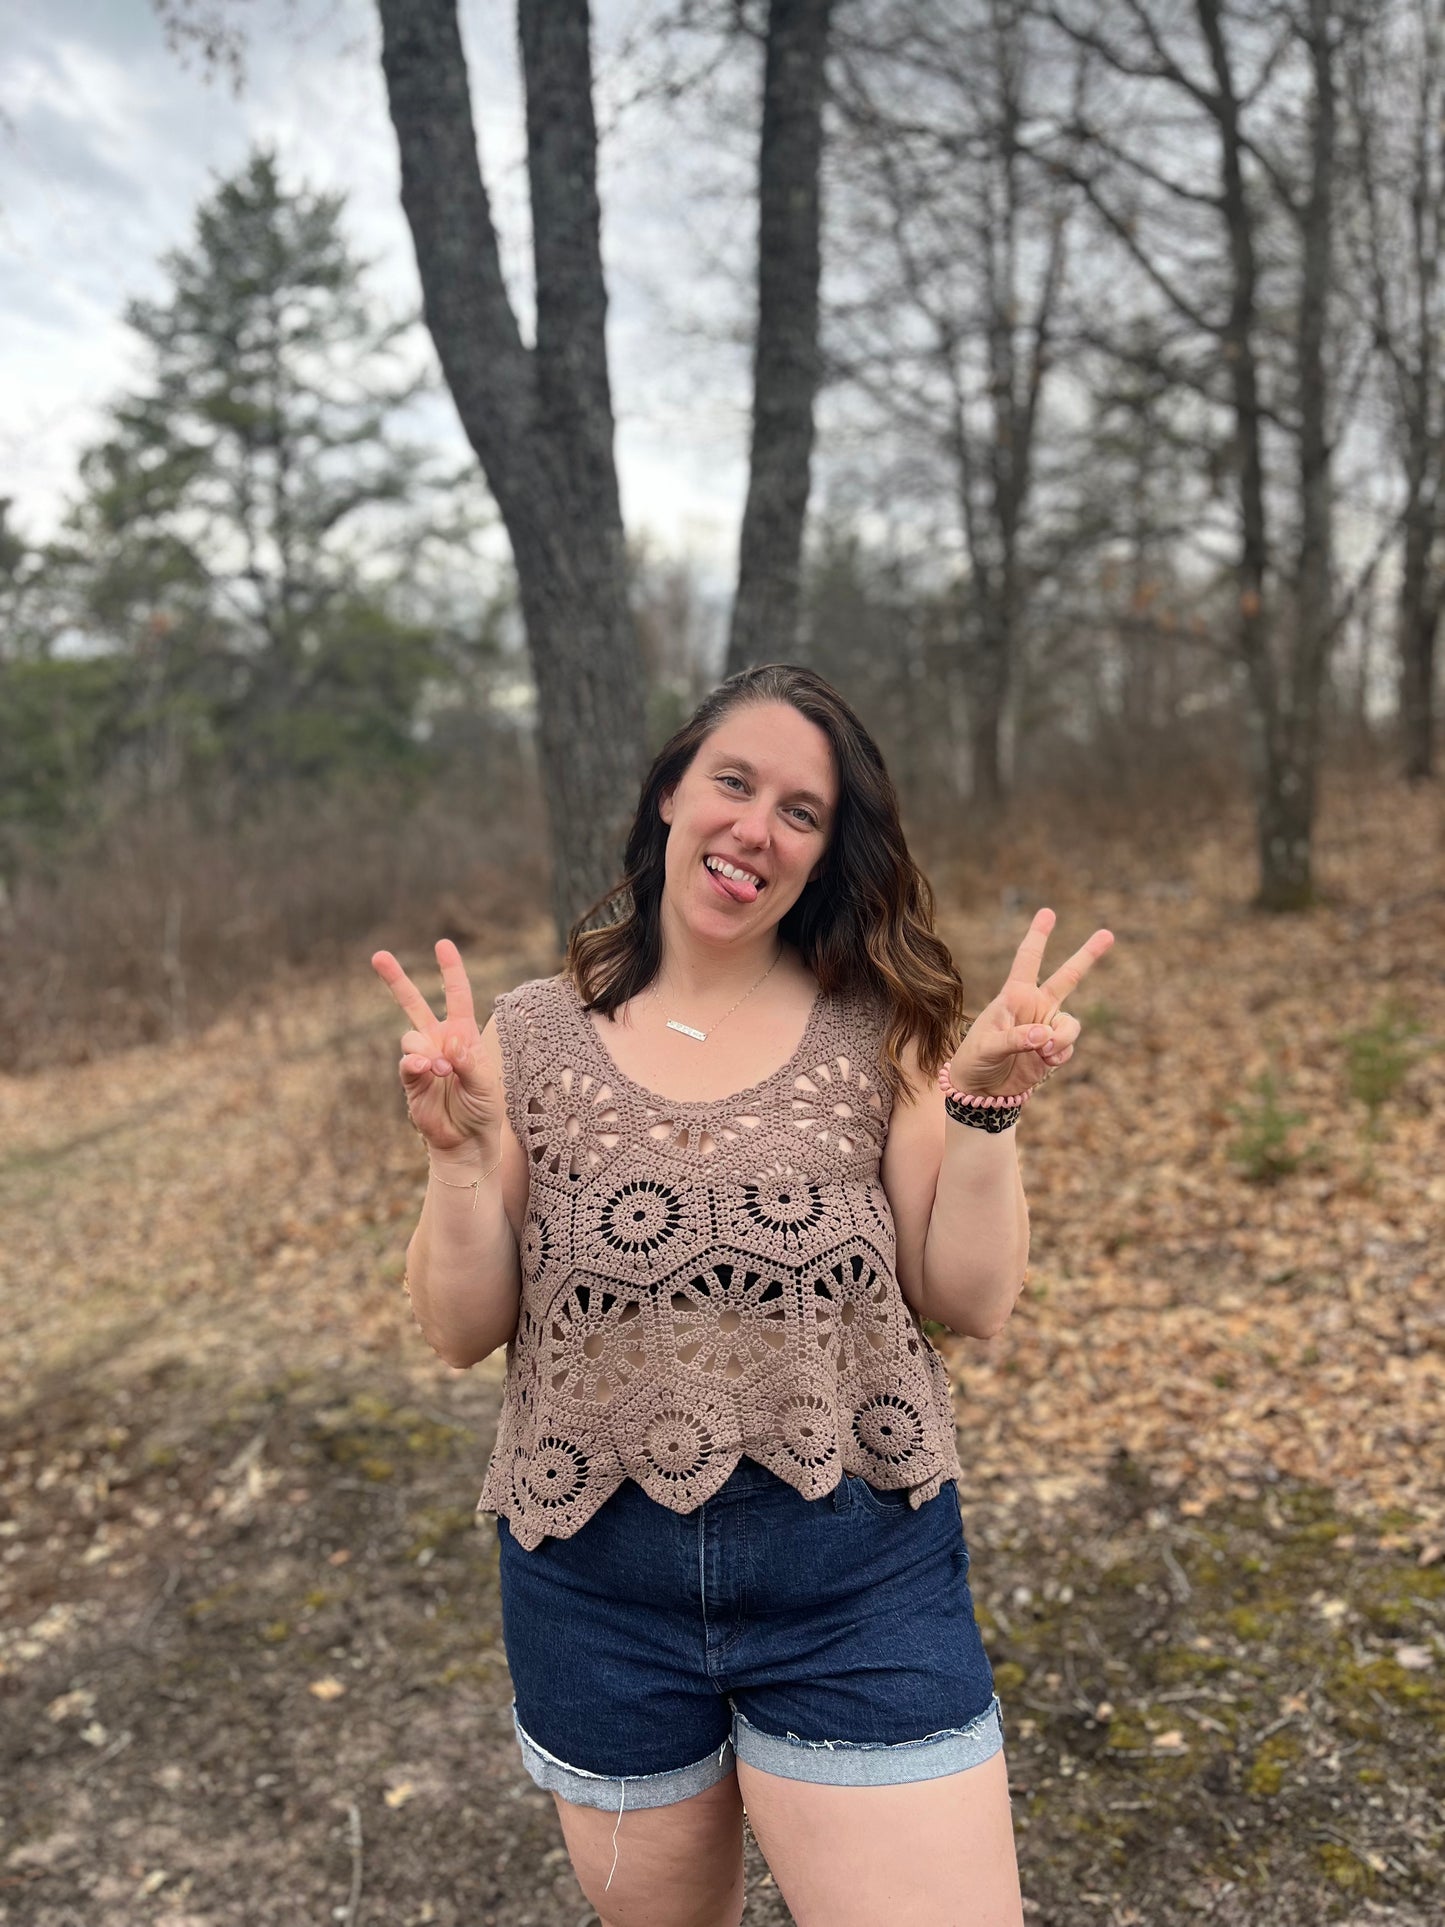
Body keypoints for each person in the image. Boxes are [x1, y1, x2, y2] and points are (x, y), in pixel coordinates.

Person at [372, 663, 1113, 1927]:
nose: (753, 827)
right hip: (591, 1587)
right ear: (670, 793)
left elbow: (970, 1296)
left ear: (825, 854)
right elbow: (458, 1329)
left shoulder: (882, 1030)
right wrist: (453, 1159)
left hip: (855, 1575)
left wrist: (983, 1105)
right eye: (732, 781)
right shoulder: (531, 1039)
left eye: (800, 811)